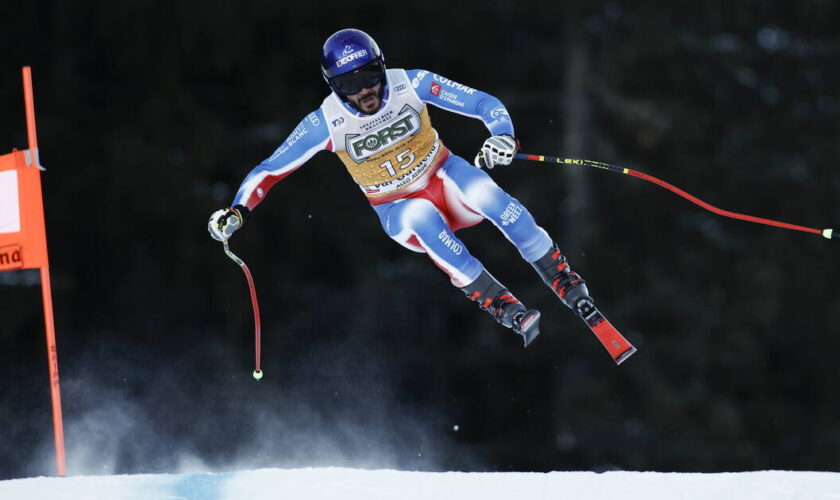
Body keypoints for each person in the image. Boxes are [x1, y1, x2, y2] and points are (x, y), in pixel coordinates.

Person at [208, 28, 595, 347]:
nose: (365, 90)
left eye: (370, 75)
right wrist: (238, 211)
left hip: (445, 177)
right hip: (398, 209)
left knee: (484, 191)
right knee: (422, 215)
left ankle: (561, 275)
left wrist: (503, 137)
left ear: (382, 66)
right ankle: (502, 304)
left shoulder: (411, 83)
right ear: (332, 86)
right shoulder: (324, 123)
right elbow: (270, 170)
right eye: (349, 84)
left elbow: (483, 103)